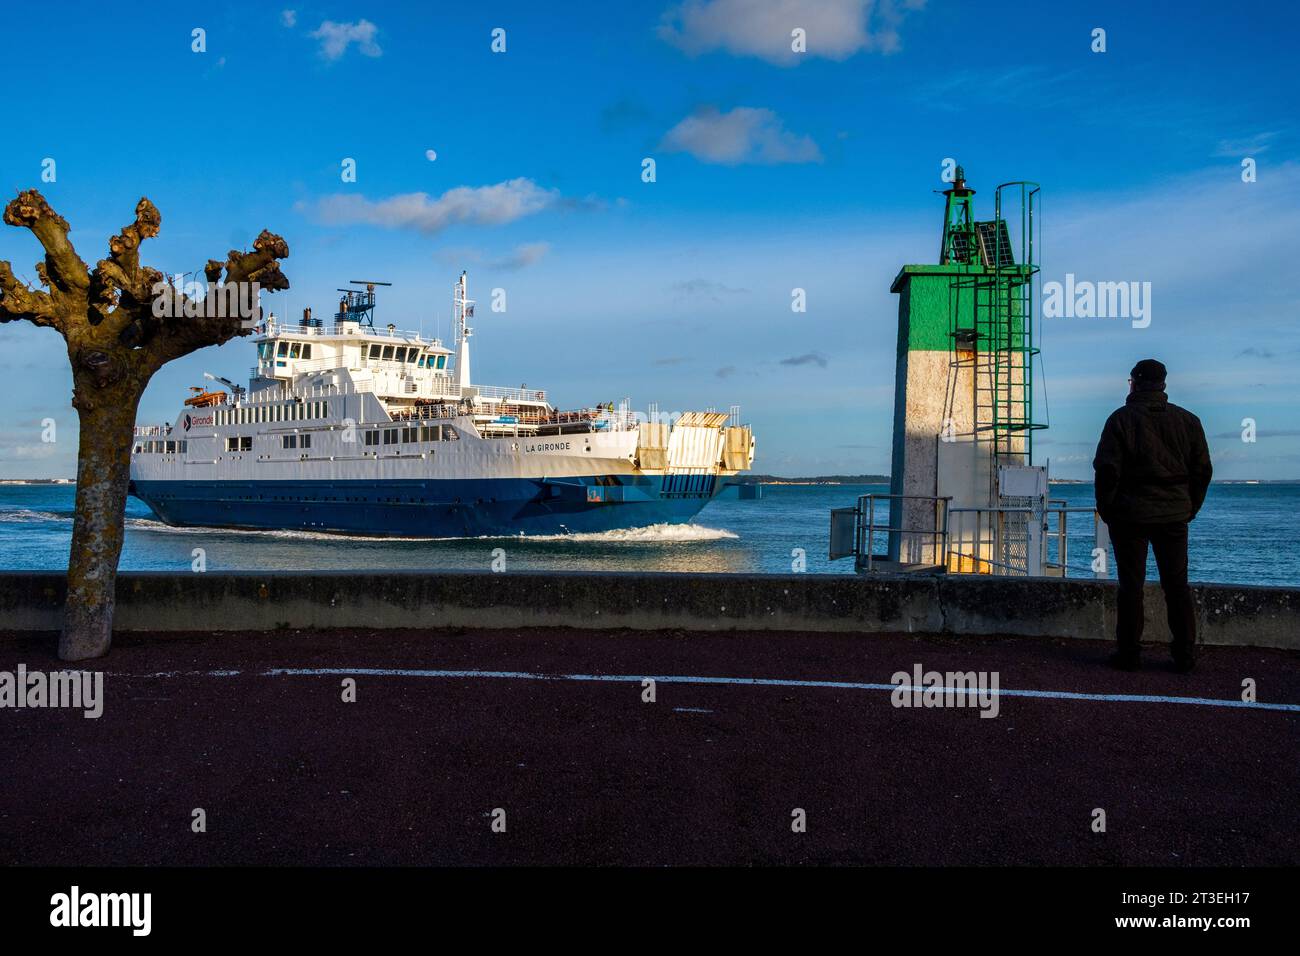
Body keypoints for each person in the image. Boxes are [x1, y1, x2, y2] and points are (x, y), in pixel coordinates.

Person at [1093, 359, 1213, 673]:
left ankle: (1129, 653)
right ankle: (1184, 655)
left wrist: (1108, 509)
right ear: (1163, 385)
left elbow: (1106, 471)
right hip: (1174, 515)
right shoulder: (1188, 421)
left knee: (1130, 586)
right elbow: (1202, 471)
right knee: (1176, 586)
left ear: (1133, 383)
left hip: (1129, 516)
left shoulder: (1119, 420)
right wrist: (1190, 508)